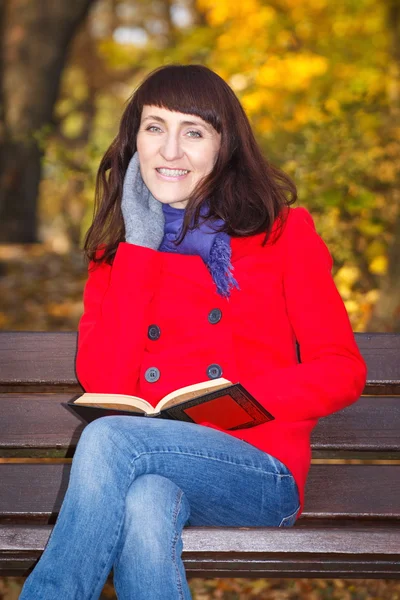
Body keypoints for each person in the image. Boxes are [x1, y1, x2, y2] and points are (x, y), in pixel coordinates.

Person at [19, 64, 367, 600]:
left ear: (224, 146)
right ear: (134, 141)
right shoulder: (116, 258)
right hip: (149, 465)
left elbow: (342, 370)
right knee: (145, 500)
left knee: (110, 439)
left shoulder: (282, 234)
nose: (170, 150)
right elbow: (103, 381)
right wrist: (139, 250)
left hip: (256, 472)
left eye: (194, 132)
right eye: (154, 127)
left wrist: (235, 402)